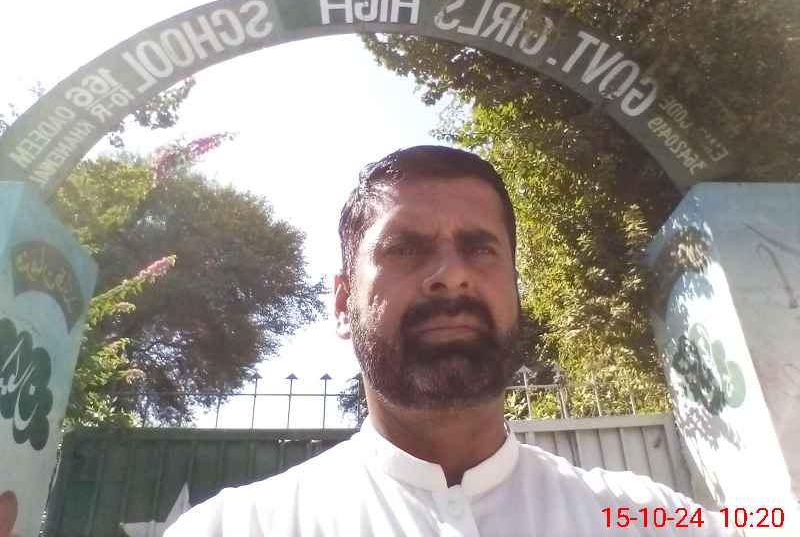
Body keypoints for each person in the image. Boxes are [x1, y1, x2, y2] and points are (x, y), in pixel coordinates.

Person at [166, 145, 739, 536]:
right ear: (342, 303)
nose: (452, 275)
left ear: (514, 289)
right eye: (405, 249)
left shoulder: (653, 520)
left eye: (480, 249)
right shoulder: (232, 528)